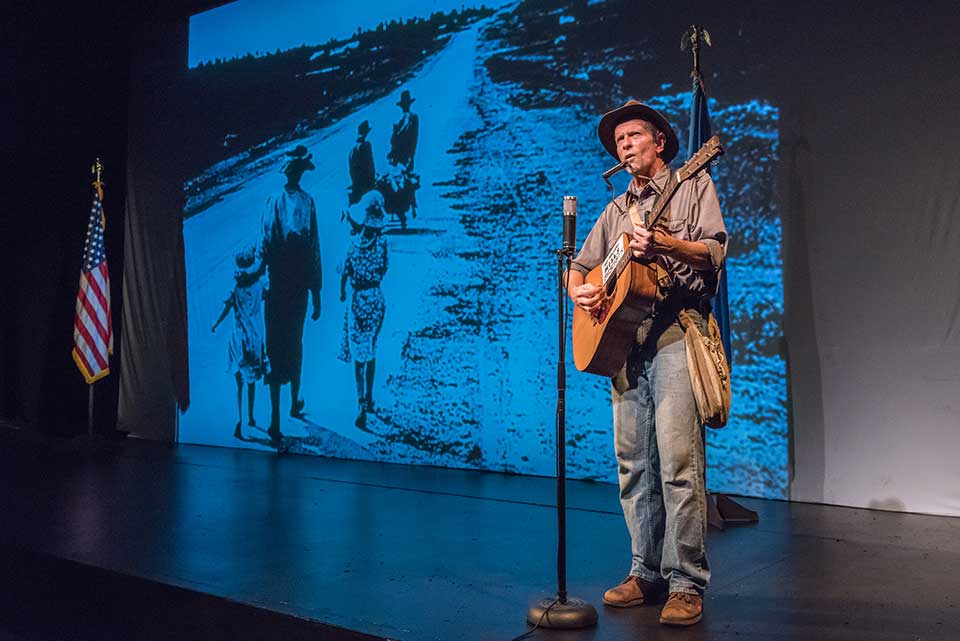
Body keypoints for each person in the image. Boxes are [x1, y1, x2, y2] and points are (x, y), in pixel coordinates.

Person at [567, 100, 728, 627]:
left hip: (675, 336)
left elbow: (713, 251)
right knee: (634, 465)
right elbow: (581, 266)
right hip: (624, 346)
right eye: (618, 142)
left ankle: (686, 582)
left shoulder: (691, 185)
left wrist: (664, 243)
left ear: (659, 141)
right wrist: (581, 293)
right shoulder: (615, 211)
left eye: (634, 135)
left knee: (679, 465)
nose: (625, 145)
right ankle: (645, 570)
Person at [260, 144, 323, 443]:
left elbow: (264, 245)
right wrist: (316, 290)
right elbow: (314, 252)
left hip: (278, 285)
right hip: (294, 285)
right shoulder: (307, 203)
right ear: (299, 173)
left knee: (277, 345)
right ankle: (289, 408)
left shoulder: (274, 202)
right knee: (292, 343)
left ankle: (278, 417)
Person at [338, 191, 389, 430]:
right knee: (371, 348)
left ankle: (360, 402)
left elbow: (344, 273)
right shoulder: (383, 244)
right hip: (375, 298)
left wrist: (343, 291)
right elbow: (384, 270)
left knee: (358, 353)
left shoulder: (352, 246)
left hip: (357, 300)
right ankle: (369, 398)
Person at [210, 246, 266, 439]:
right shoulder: (260, 286)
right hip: (255, 340)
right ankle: (250, 417)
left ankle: (240, 420)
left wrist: (216, 324)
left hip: (238, 341)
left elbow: (225, 310)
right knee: (251, 383)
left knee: (239, 383)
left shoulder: (234, 289)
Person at [387, 90, 418, 171]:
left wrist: (411, 157)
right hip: (397, 156)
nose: (404, 108)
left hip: (405, 155)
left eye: (405, 105)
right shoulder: (401, 120)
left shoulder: (412, 118)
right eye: (403, 106)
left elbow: (413, 139)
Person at [348, 120, 375, 206]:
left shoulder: (353, 148)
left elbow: (351, 168)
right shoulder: (366, 146)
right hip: (365, 182)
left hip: (356, 182)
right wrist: (371, 179)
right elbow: (369, 164)